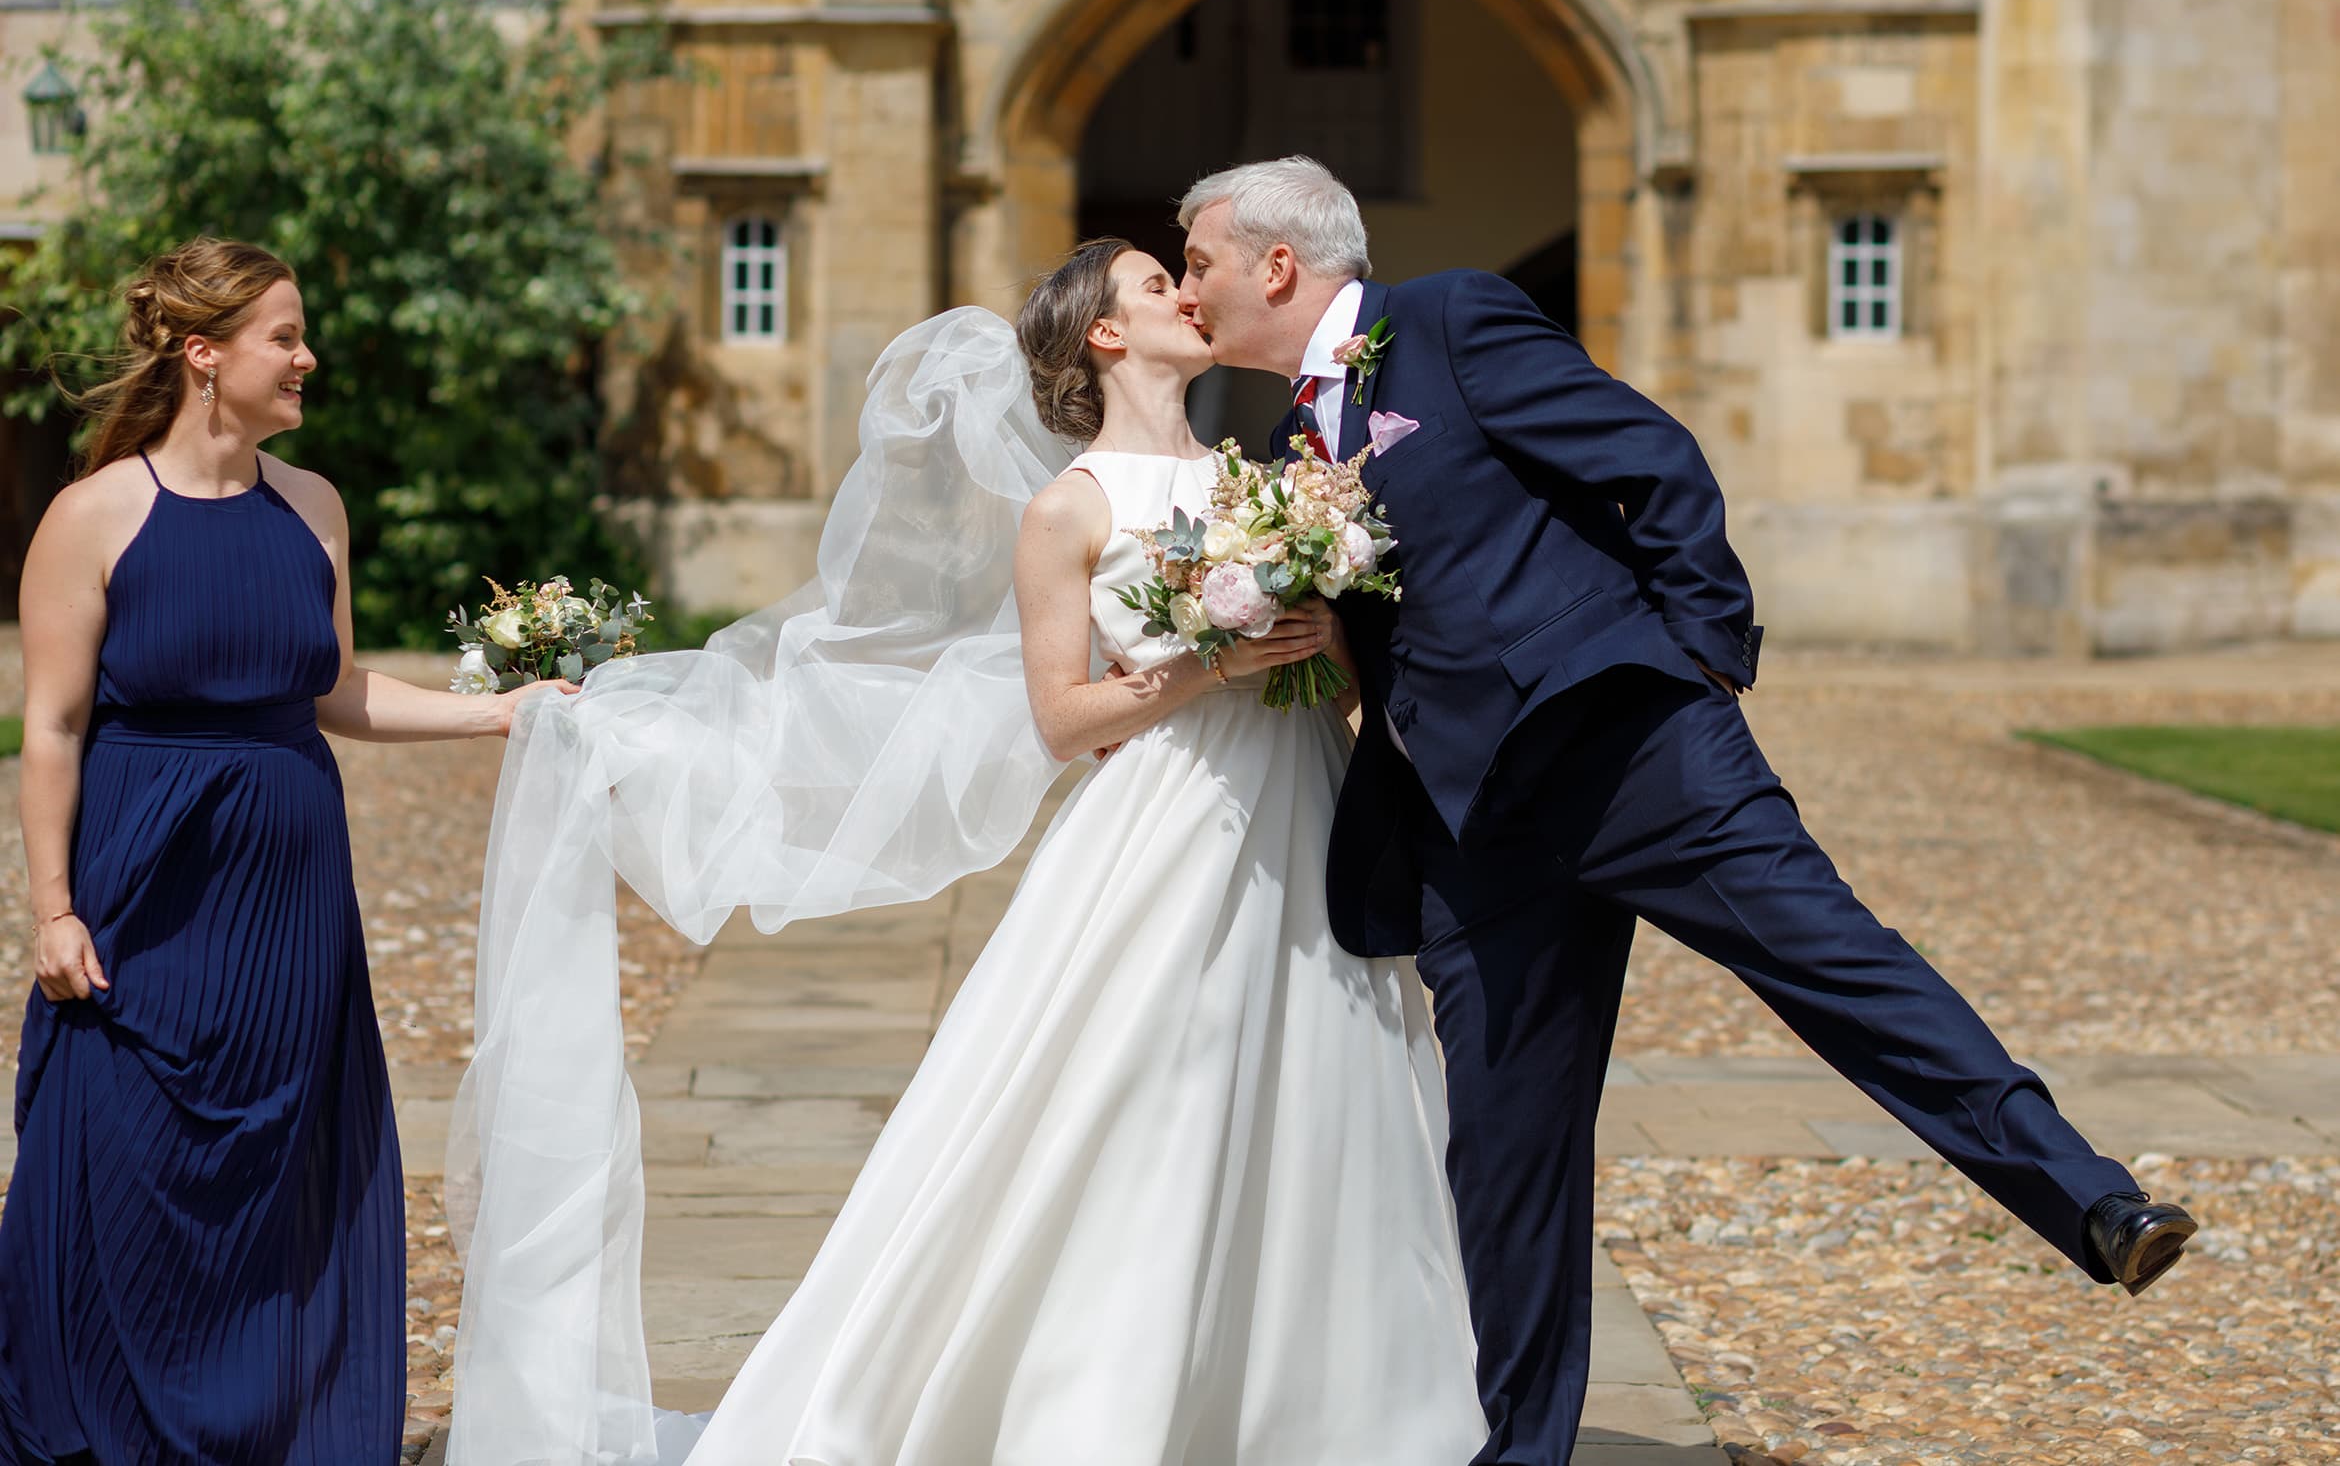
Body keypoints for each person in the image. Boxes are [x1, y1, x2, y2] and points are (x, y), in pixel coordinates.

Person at [1172, 156, 2200, 1466]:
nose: (1189, 287)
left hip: (1632, 751)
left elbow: (1651, 458)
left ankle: (2096, 1205)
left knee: (1842, 969)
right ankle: (1517, 1449)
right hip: (1474, 830)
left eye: (1197, 260)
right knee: (1505, 1152)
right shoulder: (1283, 451)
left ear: (1275, 265)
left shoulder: (1449, 320)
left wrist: (1707, 651)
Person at [441, 243, 1486, 1465]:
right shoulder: (1071, 509)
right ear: (1103, 335)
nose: (1186, 296)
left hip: (1303, 797)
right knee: (1145, 1090)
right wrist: (1210, 661)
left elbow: (1348, 674)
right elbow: (1061, 719)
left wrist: (1318, 630)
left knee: (1330, 1069)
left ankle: (1322, 1404)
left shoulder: (1273, 482)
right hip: (1171, 825)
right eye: (1158, 285)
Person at [0, 237, 565, 1464]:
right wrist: (52, 909)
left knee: (284, 1156)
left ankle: (279, 1421)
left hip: (291, 890)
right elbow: (48, 726)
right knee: (131, 1145)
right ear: (205, 355)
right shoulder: (92, 517)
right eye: (284, 336)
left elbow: (336, 690)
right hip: (144, 881)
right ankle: (118, 1418)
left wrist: (500, 712)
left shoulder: (314, 508)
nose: (307, 358)